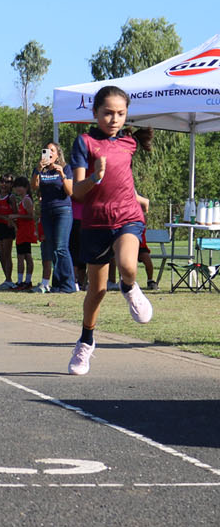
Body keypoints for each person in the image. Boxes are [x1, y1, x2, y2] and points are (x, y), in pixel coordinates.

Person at [66, 85, 154, 375]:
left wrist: (139, 198)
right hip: (95, 223)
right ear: (95, 113)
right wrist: (95, 177)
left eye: (120, 113)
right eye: (107, 113)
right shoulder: (85, 143)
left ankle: (130, 287)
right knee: (98, 290)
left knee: (129, 264)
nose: (114, 119)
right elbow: (77, 192)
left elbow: (123, 177)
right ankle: (86, 342)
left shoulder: (129, 143)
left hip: (128, 216)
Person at [34, 142, 74, 293]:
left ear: (57, 155)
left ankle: (69, 284)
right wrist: (38, 170)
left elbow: (70, 192)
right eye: (47, 150)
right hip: (46, 212)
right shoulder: (40, 169)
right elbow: (34, 186)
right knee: (53, 249)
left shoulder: (66, 168)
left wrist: (62, 174)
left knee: (61, 247)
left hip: (62, 210)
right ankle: (57, 284)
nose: (49, 153)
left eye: (52, 151)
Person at [10, 177, 36, 289]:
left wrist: (17, 216)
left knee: (24, 257)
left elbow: (31, 216)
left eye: (19, 186)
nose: (16, 189)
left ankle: (24, 282)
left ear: (25, 187)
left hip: (26, 232)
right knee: (24, 256)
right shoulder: (22, 200)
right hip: (21, 231)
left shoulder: (27, 199)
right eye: (15, 187)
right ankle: (23, 281)